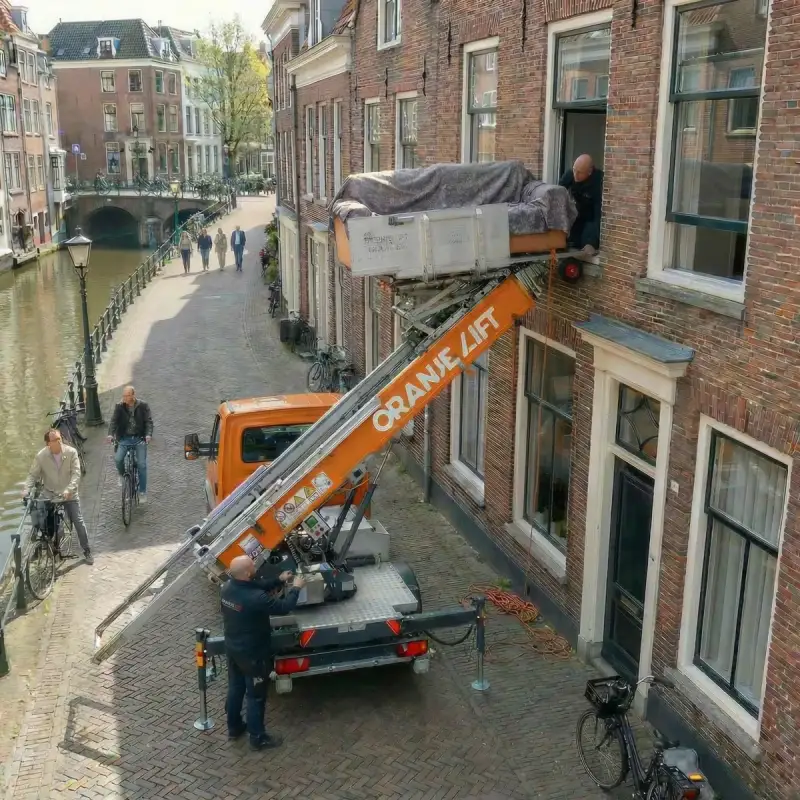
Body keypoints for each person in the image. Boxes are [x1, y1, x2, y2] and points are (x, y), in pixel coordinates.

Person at [220, 555, 306, 750]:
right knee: (255, 696)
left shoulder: (227, 588)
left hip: (233, 648)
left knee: (235, 688)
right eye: (252, 566)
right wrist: (296, 588)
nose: (255, 568)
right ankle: (258, 738)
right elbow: (284, 607)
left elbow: (255, 585)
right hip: (253, 654)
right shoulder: (256, 599)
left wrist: (279, 579)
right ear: (247, 573)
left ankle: (234, 727)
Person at [23, 430, 93, 565]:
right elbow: (33, 475)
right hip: (50, 493)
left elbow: (76, 474)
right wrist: (26, 489)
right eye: (55, 440)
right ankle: (39, 547)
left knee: (78, 521)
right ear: (48, 444)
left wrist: (69, 489)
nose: (59, 442)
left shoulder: (71, 452)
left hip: (69, 494)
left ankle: (86, 550)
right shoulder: (41, 456)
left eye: (59, 438)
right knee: (39, 518)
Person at [106, 385, 154, 504]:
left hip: (139, 438)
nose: (125, 398)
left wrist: (148, 435)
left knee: (142, 465)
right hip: (124, 439)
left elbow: (148, 422)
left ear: (133, 395)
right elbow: (113, 421)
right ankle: (122, 475)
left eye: (127, 395)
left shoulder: (143, 406)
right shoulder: (119, 406)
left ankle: (142, 492)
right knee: (118, 459)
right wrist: (110, 435)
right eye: (124, 395)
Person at [559, 154, 604, 257]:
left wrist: (592, 242)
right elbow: (558, 193)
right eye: (574, 170)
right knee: (572, 241)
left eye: (580, 172)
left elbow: (599, 214)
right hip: (577, 211)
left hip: (592, 213)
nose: (575, 175)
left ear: (590, 171)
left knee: (588, 237)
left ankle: (590, 244)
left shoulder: (599, 181)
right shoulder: (570, 174)